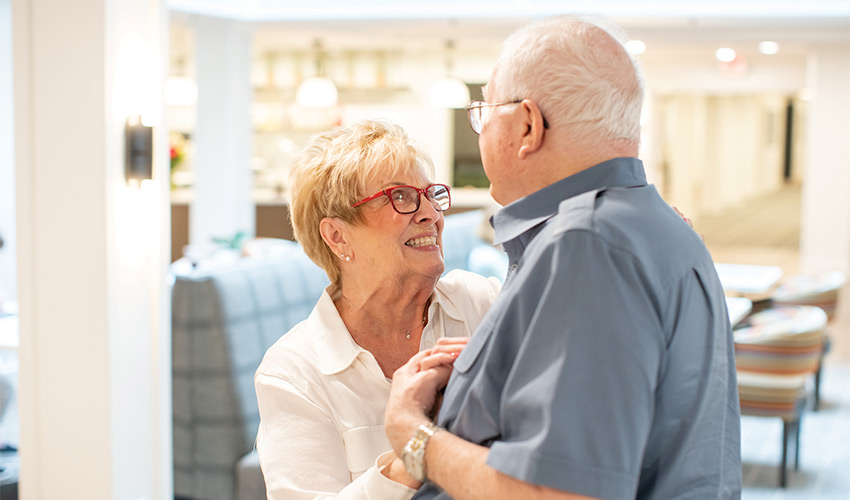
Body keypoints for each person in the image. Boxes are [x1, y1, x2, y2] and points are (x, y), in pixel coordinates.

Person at [385, 15, 742, 500]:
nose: (480, 130)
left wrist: (412, 434)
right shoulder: (651, 227)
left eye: (483, 112)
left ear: (528, 126)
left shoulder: (588, 245)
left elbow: (556, 492)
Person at [254, 120, 502, 499]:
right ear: (337, 236)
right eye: (400, 197)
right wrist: (412, 454)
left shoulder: (482, 302)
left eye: (431, 195)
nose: (431, 214)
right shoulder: (293, 373)